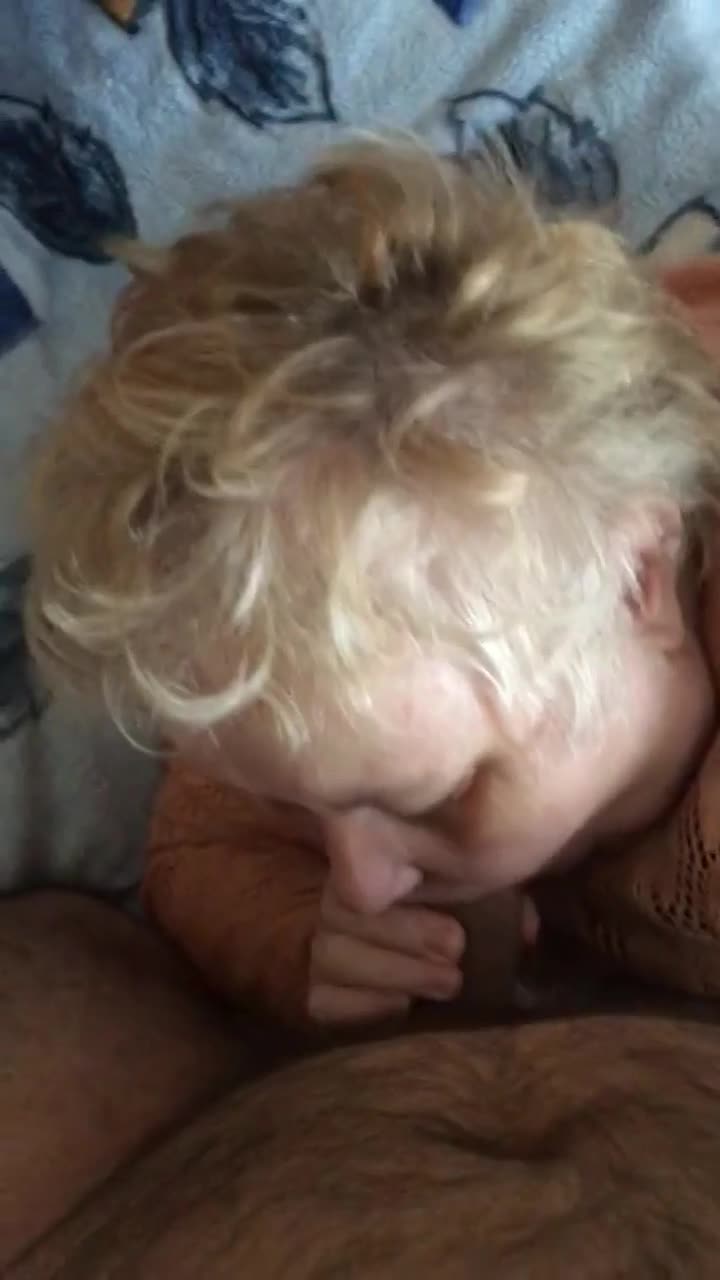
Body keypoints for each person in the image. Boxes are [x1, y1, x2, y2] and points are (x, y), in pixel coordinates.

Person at [26, 139, 720, 1030]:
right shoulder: (307, 723)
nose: (360, 882)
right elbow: (200, 845)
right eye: (289, 807)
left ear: (635, 580)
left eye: (434, 801)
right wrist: (300, 936)